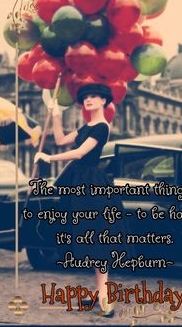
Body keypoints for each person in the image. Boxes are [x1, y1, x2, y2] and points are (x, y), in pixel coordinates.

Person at [34, 83, 119, 316]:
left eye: (94, 96)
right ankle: (101, 293)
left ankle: (104, 295)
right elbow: (61, 139)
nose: (88, 100)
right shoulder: (86, 127)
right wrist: (57, 112)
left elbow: (80, 153)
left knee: (97, 235)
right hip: (79, 183)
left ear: (103, 101)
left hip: (92, 183)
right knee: (87, 235)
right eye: (85, 97)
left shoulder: (102, 127)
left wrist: (48, 158)